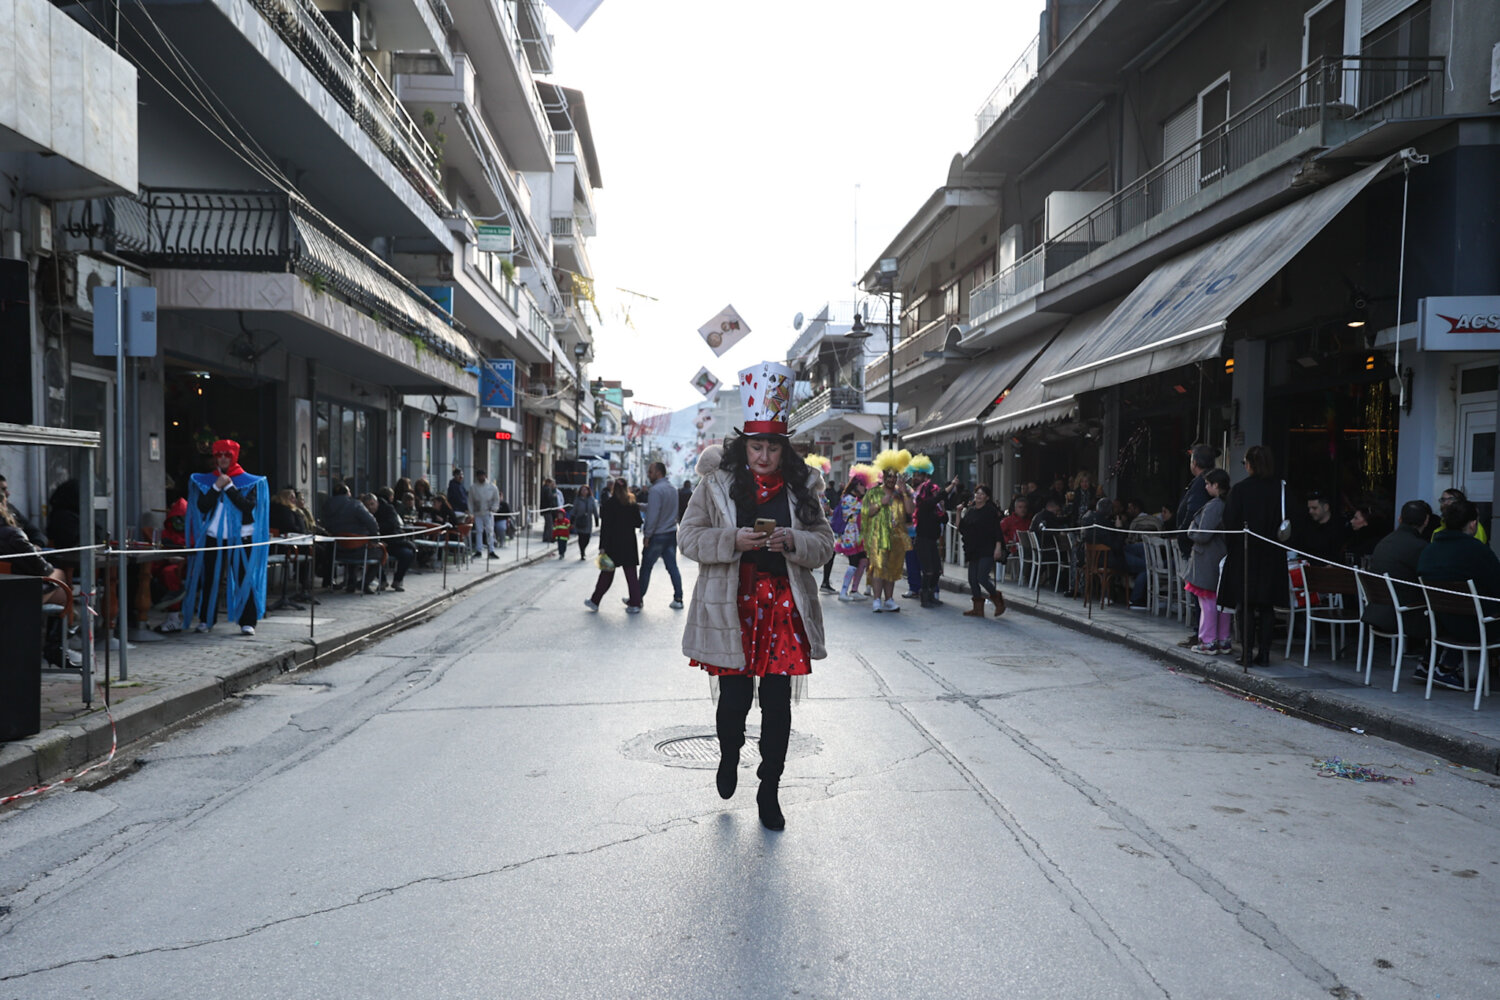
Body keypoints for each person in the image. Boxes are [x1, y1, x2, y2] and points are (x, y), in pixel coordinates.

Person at [678, 360, 835, 831]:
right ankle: (729, 753)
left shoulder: (803, 488)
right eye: (756, 446)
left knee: (777, 705)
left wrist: (794, 540)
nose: (763, 455)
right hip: (733, 607)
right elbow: (688, 537)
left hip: (784, 609)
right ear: (743, 446)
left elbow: (824, 544)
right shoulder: (715, 483)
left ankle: (770, 788)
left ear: (783, 449)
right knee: (733, 702)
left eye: (772, 447)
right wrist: (733, 541)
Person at [182, 440, 269, 635]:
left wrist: (229, 487)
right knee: (210, 579)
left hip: (241, 537)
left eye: (227, 455)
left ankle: (248, 622)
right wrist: (215, 487)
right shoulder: (206, 481)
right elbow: (202, 506)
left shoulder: (250, 481)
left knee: (244, 578)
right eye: (219, 455)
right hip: (213, 537)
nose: (222, 459)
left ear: (234, 456)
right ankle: (206, 620)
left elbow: (247, 506)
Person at [1416, 498, 1500, 690]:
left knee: (1460, 609)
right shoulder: (1477, 550)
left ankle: (1428, 664)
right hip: (1473, 627)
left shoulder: (1429, 550)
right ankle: (1446, 668)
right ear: (1473, 524)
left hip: (1438, 623)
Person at [1218, 445, 1288, 666]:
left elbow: (1229, 522)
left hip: (1245, 553)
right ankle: (1264, 654)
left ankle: (1247, 653)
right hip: (1272, 554)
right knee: (1267, 607)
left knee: (1246, 605)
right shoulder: (1280, 489)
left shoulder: (1240, 490)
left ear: (1250, 464)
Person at [1361, 499, 1431, 658]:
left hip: (1377, 610)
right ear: (1426, 521)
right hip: (1402, 615)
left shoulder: (1384, 542)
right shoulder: (1420, 547)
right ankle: (1431, 661)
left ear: (1400, 518)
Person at [1184, 468, 1234, 654]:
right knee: (1221, 602)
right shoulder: (1229, 503)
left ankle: (1208, 641)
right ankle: (1223, 639)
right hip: (1221, 555)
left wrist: (1191, 530)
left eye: (1208, 484)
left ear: (1216, 485)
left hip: (1207, 557)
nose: (1205, 487)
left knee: (1208, 602)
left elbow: (1203, 534)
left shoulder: (1214, 505)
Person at [861, 449, 913, 613]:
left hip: (897, 537)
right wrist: (880, 504)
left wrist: (904, 493)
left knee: (892, 568)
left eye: (894, 476)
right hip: (878, 536)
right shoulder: (874, 492)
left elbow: (910, 510)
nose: (891, 479)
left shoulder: (901, 493)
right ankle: (877, 599)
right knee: (878, 567)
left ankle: (889, 599)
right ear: (883, 476)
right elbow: (866, 512)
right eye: (889, 476)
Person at [584, 479, 642, 612]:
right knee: (631, 576)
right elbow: (638, 523)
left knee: (606, 574)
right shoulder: (632, 502)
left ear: (613, 488)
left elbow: (605, 528)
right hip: (628, 543)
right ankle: (635, 603)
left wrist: (602, 547)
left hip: (612, 544)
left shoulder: (609, 504)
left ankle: (595, 601)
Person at [638, 461, 685, 608]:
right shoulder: (673, 489)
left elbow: (653, 514)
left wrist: (647, 535)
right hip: (670, 533)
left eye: (650, 472)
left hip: (657, 535)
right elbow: (659, 508)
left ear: (658, 473)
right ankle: (678, 598)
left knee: (646, 567)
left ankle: (637, 599)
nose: (648, 474)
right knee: (672, 567)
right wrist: (640, 506)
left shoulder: (655, 490)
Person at [322, 482, 381, 594]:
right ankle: (364, 583)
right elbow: (371, 522)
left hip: (338, 549)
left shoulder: (326, 506)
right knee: (381, 553)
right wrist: (375, 540)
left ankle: (351, 583)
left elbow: (326, 525)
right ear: (347, 493)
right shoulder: (355, 504)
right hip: (359, 549)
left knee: (351, 545)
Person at [958, 484, 1005, 617]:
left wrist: (998, 547)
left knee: (982, 577)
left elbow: (997, 530)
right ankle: (978, 608)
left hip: (987, 548)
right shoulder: (971, 511)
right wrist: (958, 512)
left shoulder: (990, 511)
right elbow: (961, 527)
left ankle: (997, 599)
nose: (979, 496)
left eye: (982, 494)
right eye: (977, 493)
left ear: (987, 497)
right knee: (972, 579)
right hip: (973, 548)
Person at [908, 455, 947, 608]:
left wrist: (942, 507)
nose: (916, 478)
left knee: (936, 570)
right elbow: (928, 504)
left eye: (919, 475)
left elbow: (944, 519)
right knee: (928, 570)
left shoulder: (934, 504)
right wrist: (947, 489)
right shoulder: (921, 502)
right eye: (914, 475)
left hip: (932, 539)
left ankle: (930, 594)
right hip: (921, 538)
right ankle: (924, 596)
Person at [834, 464, 875, 602]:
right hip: (849, 535)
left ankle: (854, 590)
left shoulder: (855, 499)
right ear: (856, 485)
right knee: (853, 563)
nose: (865, 488)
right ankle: (843, 592)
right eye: (863, 485)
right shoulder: (849, 499)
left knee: (863, 560)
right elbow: (867, 510)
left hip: (856, 535)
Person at [367, 490, 414, 592]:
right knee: (374, 555)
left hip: (393, 542)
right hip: (376, 544)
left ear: (377, 503)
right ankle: (382, 580)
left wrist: (380, 534)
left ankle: (397, 580)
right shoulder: (365, 513)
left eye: (372, 504)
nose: (370, 507)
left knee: (407, 554)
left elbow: (392, 525)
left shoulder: (388, 509)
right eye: (368, 505)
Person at [1300, 491, 1348, 563]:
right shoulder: (1307, 527)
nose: (1310, 511)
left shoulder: (1339, 528)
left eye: (1314, 508)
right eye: (1309, 508)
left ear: (1326, 507)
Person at [0, 473, 46, 546]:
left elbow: (34, 531)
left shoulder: (10, 508)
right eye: (3, 489)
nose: (8, 493)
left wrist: (37, 544)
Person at [469, 469, 500, 558]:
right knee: (479, 531)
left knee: (490, 531)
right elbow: (470, 501)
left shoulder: (492, 487)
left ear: (485, 476)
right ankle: (479, 550)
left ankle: (491, 550)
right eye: (479, 476)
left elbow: (496, 499)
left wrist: (494, 508)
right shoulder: (473, 487)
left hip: (488, 512)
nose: (481, 477)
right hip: (478, 512)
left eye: (482, 475)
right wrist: (471, 512)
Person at [999, 496, 1030, 569]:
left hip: (1028, 550)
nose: (1023, 509)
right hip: (1013, 549)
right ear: (1015, 509)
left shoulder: (1030, 522)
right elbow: (998, 533)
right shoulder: (1008, 521)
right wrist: (1008, 540)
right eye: (1020, 507)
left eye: (1025, 507)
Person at [571, 484, 598, 559]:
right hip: (579, 520)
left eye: (585, 490)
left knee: (587, 538)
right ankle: (582, 552)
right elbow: (574, 510)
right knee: (581, 537)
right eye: (582, 490)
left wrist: (596, 520)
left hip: (588, 521)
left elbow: (595, 509)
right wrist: (572, 521)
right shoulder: (577, 499)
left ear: (588, 491)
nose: (584, 491)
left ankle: (584, 548)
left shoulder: (591, 499)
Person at [540, 477, 560, 541]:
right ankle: (549, 537)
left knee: (547, 524)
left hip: (544, 508)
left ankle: (545, 537)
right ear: (548, 483)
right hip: (548, 509)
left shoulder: (543, 488)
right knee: (549, 524)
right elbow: (549, 498)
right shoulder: (548, 489)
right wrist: (553, 496)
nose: (552, 484)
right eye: (551, 483)